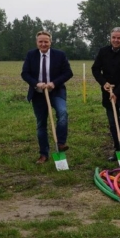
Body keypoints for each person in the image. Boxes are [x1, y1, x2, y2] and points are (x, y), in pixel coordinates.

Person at [21, 31, 74, 164]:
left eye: (46, 41)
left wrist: (54, 83)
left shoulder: (60, 55)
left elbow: (68, 73)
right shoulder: (31, 55)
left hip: (56, 91)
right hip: (38, 93)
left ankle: (61, 143)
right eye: (41, 41)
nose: (43, 44)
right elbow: (25, 73)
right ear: (37, 42)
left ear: (50, 42)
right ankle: (43, 154)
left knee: (62, 113)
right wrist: (36, 83)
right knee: (41, 124)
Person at [92, 27, 120, 161]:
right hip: (107, 92)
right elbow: (95, 69)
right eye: (114, 38)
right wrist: (103, 83)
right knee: (112, 121)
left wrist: (116, 92)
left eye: (119, 38)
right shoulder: (103, 52)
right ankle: (118, 149)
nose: (116, 40)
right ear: (110, 38)